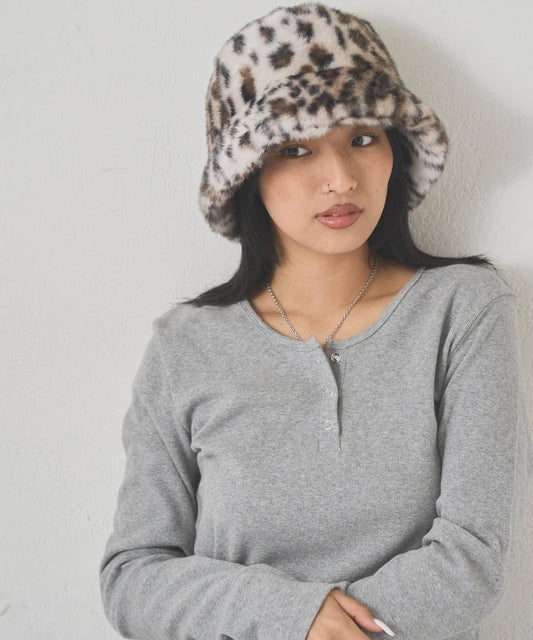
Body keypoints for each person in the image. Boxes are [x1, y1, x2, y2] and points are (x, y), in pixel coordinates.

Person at [99, 3, 531, 639]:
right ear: (247, 171)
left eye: (363, 139)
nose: (340, 179)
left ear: (395, 148)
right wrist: (292, 617)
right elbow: (133, 577)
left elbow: (472, 559)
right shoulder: (185, 345)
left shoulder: (462, 309)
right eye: (296, 148)